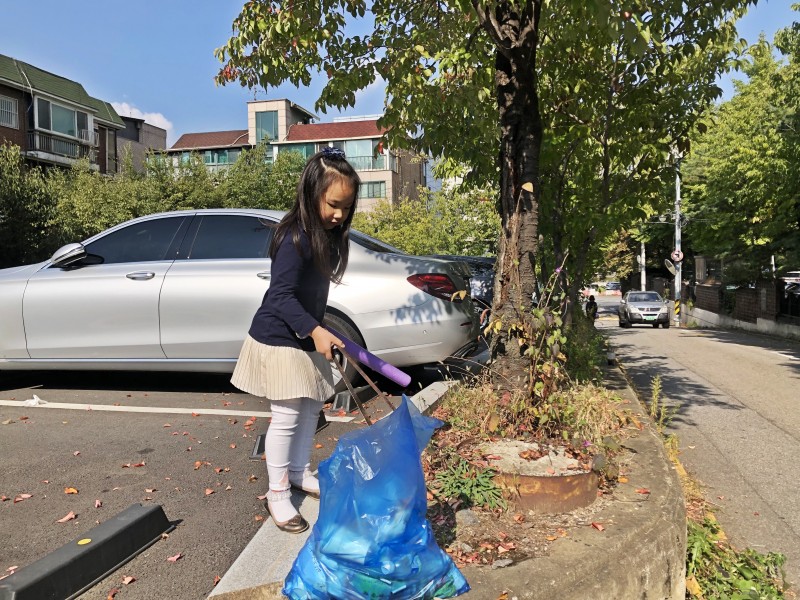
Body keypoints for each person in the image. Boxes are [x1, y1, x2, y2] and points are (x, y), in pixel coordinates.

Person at [231, 147, 360, 533]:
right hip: (278, 335)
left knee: (308, 410)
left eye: (346, 207)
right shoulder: (293, 237)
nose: (340, 214)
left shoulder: (325, 235)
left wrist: (319, 329)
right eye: (333, 204)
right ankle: (278, 493)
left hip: (302, 334)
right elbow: (282, 297)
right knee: (287, 416)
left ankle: (301, 472)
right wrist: (316, 330)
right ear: (311, 193)